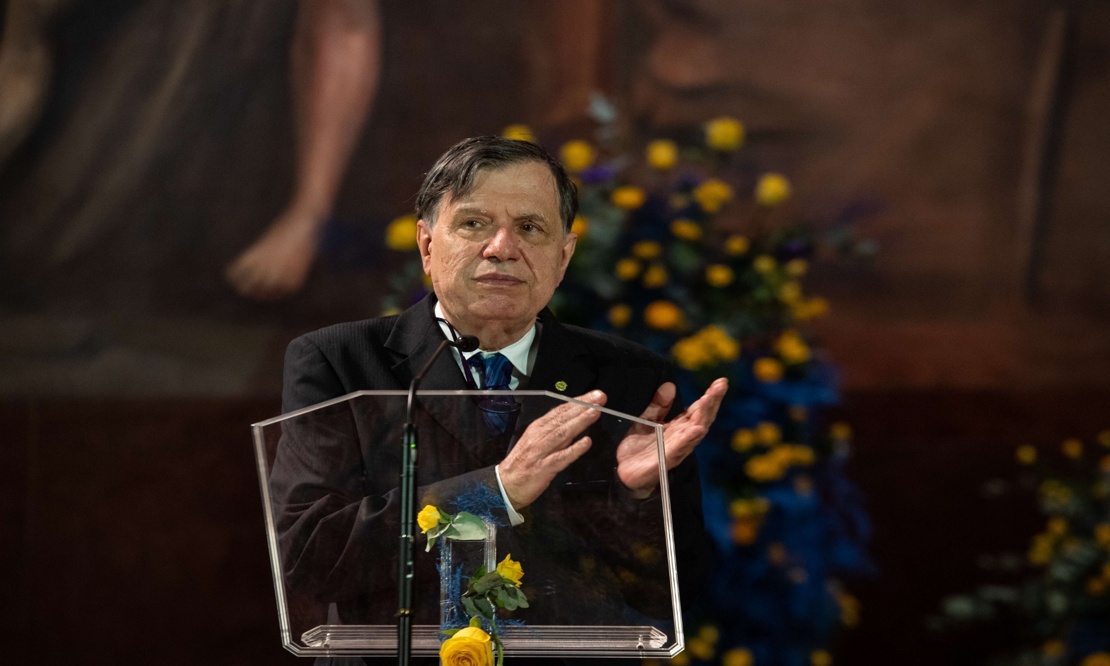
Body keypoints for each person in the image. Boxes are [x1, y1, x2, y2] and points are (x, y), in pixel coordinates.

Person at [271, 136, 728, 665]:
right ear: (426, 245)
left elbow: (674, 590)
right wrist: (495, 492)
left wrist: (637, 500)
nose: (502, 247)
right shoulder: (341, 363)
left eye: (530, 228)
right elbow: (305, 557)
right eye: (473, 224)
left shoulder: (629, 378)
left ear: (563, 256)